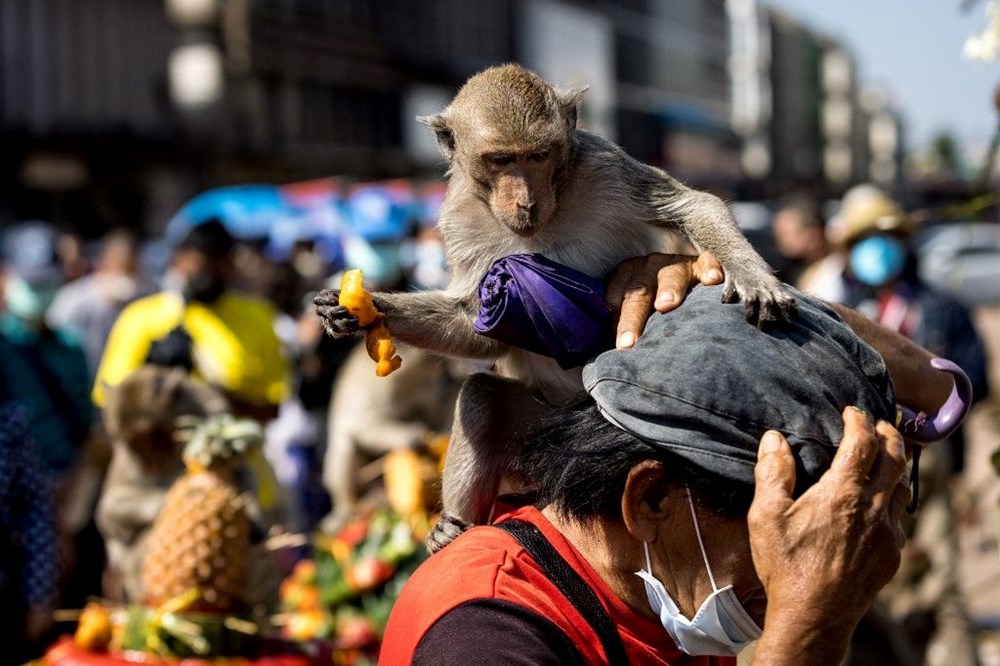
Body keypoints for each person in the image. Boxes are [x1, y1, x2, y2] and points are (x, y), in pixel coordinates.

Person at [379, 254, 962, 664]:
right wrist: (808, 629)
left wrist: (735, 296)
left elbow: (941, 393)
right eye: (787, 540)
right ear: (651, 498)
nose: (794, 576)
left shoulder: (665, 596)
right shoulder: (488, 632)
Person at [835, 184, 989, 664]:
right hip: (856, 457)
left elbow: (974, 381)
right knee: (858, 577)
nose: (875, 249)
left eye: (884, 237)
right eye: (864, 239)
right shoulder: (836, 312)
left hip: (929, 461)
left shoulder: (940, 307)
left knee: (941, 583)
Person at [93, 219, 290, 423]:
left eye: (219, 262)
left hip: (238, 451)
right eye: (203, 264)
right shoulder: (142, 317)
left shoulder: (258, 316)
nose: (212, 272)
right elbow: (109, 400)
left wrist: (213, 398)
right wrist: (151, 380)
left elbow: (273, 409)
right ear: (179, 261)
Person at [47, 228, 149, 380]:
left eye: (130, 269)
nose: (124, 277)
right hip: (85, 383)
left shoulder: (146, 299)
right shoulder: (76, 298)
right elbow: (54, 337)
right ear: (104, 263)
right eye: (119, 265)